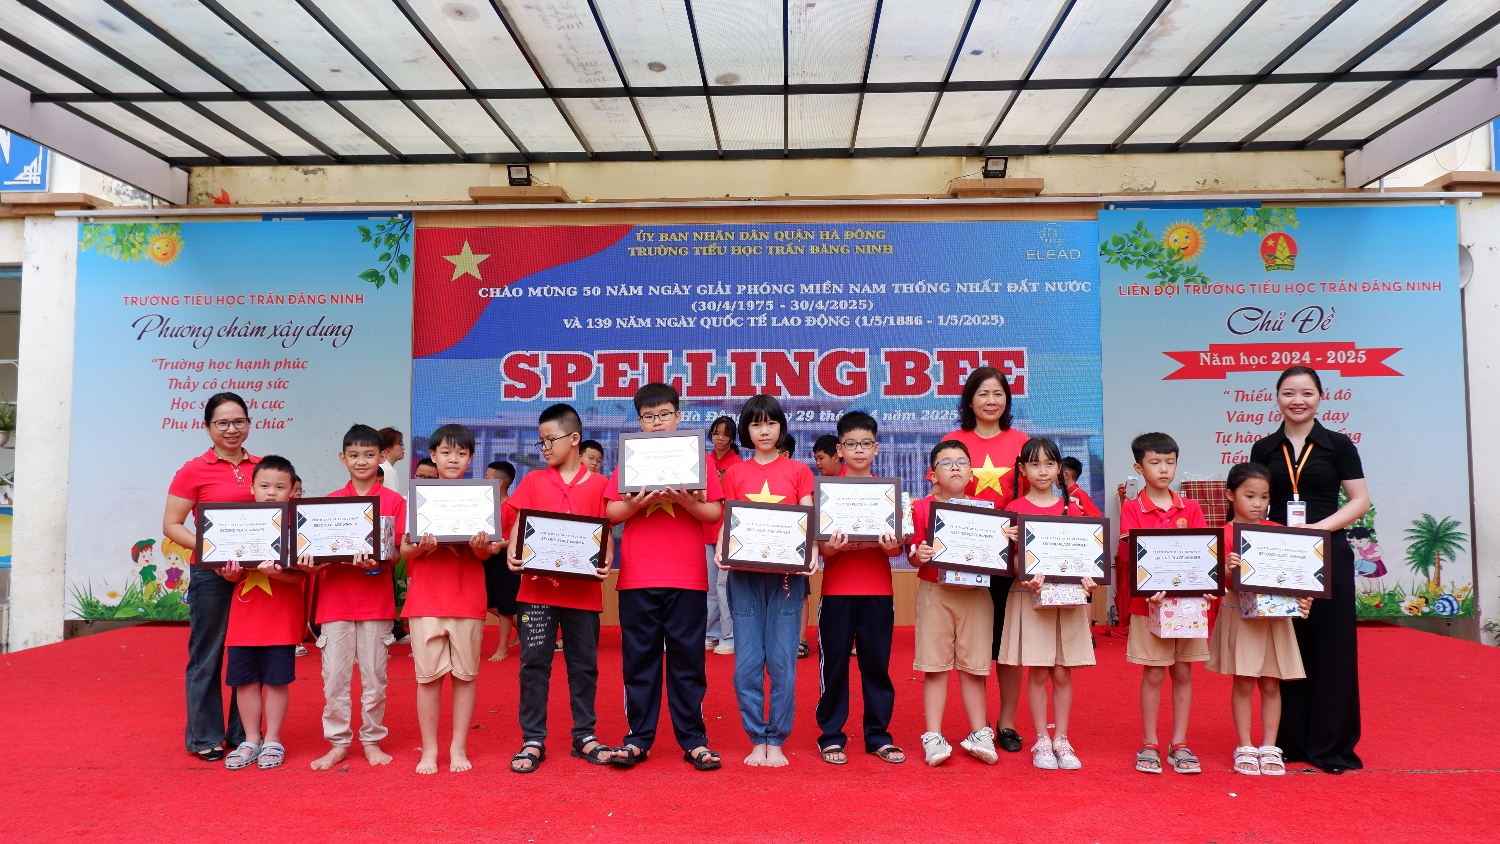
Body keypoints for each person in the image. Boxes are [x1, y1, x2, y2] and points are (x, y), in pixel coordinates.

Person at [1249, 366, 1369, 774]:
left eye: (1306, 393)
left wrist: (1317, 530)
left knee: (1332, 647)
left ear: (1320, 397)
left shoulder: (1339, 444)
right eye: (1288, 393)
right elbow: (1255, 499)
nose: (1297, 401)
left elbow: (1359, 500)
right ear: (1277, 398)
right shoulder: (1264, 448)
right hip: (1278, 555)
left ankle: (1331, 746)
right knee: (1287, 645)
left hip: (1327, 551)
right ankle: (1290, 741)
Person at [605, 384, 724, 771]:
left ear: (678, 416)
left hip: (687, 576)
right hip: (637, 576)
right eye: (649, 417)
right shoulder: (630, 459)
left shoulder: (699, 460)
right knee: (639, 661)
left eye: (664, 415)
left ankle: (694, 740)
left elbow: (714, 513)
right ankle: (638, 738)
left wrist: (687, 502)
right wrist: (635, 504)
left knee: (688, 661)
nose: (657, 423)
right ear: (639, 421)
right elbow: (610, 512)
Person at [503, 404, 614, 773]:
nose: (545, 448)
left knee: (584, 665)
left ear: (574, 439)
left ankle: (585, 735)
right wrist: (514, 554)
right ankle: (533, 738)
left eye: (550, 440)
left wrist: (607, 558)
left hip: (583, 593)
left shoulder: (600, 484)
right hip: (536, 592)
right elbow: (520, 523)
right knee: (534, 664)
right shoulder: (534, 481)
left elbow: (605, 531)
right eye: (541, 442)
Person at [715, 394, 818, 767]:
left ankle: (776, 738)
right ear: (747, 429)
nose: (764, 430)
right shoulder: (735, 473)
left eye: (771, 423)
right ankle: (756, 736)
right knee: (746, 664)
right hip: (744, 578)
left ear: (781, 427)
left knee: (782, 663)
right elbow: (728, 520)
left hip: (787, 579)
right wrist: (721, 549)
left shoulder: (799, 471)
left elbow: (808, 517)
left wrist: (812, 552)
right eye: (756, 424)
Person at [906, 440, 1015, 766]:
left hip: (976, 595)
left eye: (962, 462)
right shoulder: (921, 508)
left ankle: (980, 732)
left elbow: (999, 557)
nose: (955, 467)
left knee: (974, 668)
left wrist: (1006, 542)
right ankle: (933, 735)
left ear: (971, 473)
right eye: (946, 462)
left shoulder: (986, 511)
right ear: (932, 475)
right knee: (935, 667)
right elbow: (912, 553)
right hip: (935, 593)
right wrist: (919, 554)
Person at [163, 392, 254, 763]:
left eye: (238, 421)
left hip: (256, 575)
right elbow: (172, 525)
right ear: (207, 428)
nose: (231, 429)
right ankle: (205, 736)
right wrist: (213, 552)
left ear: (249, 423)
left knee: (249, 651)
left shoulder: (262, 467)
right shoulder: (193, 470)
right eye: (222, 423)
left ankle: (243, 733)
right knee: (208, 653)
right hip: (211, 573)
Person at [308, 424, 406, 771]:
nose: (361, 461)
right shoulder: (329, 503)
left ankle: (371, 739)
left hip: (375, 604)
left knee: (375, 678)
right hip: (335, 603)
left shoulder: (394, 502)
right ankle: (337, 742)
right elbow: (315, 555)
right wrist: (311, 561)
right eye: (354, 455)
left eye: (369, 454)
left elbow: (397, 553)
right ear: (343, 458)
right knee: (334, 677)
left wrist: (379, 560)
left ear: (382, 457)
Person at [941, 366, 1029, 754]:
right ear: (969, 400)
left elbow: (1034, 497)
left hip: (1010, 561)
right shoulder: (954, 442)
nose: (991, 401)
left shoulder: (1022, 442)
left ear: (1007, 399)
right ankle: (978, 726)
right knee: (973, 644)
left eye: (998, 393)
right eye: (983, 394)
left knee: (1008, 646)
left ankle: (1007, 721)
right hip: (967, 559)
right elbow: (942, 496)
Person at [401, 424, 497, 774]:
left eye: (461, 453)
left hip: (467, 597)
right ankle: (429, 749)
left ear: (470, 458)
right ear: (432, 456)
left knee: (465, 676)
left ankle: (458, 747)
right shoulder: (417, 498)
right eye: (445, 452)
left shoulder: (481, 498)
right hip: (426, 598)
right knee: (427, 678)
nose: (453, 459)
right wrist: (421, 547)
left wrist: (480, 545)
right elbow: (406, 552)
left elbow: (485, 554)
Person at [999, 438, 1099, 771]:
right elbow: (1010, 563)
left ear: (1060, 469)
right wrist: (1023, 572)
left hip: (1067, 599)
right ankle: (1042, 739)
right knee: (1039, 669)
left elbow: (1089, 559)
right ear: (1023, 470)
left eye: (1049, 464)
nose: (1042, 471)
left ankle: (1062, 739)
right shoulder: (1013, 509)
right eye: (1035, 464)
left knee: (1062, 670)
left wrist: (1090, 578)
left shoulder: (1074, 510)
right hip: (1030, 596)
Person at [1114, 432, 1211, 775]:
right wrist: (1151, 585)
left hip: (1188, 606)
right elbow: (1130, 555)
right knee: (1154, 673)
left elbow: (1203, 555)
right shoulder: (1131, 508)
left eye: (1170, 462)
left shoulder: (1191, 508)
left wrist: (1206, 584)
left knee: (1183, 671)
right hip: (1149, 605)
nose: (1164, 469)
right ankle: (1150, 742)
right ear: (1138, 468)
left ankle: (1179, 743)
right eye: (1155, 462)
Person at [1209, 462, 1313, 776]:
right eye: (1250, 495)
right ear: (1231, 495)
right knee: (1243, 682)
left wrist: (1304, 599)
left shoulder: (1278, 531)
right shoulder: (1223, 534)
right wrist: (1229, 568)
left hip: (1276, 615)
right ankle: (1244, 746)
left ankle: (1270, 746)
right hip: (1240, 613)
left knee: (1270, 682)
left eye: (1264, 497)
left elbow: (1296, 575)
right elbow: (1220, 581)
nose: (1258, 503)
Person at [813, 412, 903, 765]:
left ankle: (878, 736)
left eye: (866, 443)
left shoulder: (888, 493)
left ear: (876, 448)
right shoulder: (828, 492)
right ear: (840, 450)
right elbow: (823, 549)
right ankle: (831, 736)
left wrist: (889, 545)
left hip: (878, 590)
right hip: (837, 590)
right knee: (834, 666)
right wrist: (835, 547)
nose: (859, 450)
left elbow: (896, 551)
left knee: (876, 666)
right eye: (851, 444)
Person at [219, 455, 305, 770]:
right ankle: (251, 739)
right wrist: (230, 574)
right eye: (265, 486)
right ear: (252, 488)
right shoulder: (236, 523)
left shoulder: (298, 527)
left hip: (281, 619)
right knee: (244, 681)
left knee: (277, 680)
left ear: (292, 491)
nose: (271, 493)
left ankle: (273, 739)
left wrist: (277, 574)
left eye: (280, 487)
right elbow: (227, 573)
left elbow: (300, 577)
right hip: (243, 620)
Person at [705, 416, 741, 656]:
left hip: (728, 531)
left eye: (725, 434)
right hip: (705, 528)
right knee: (709, 587)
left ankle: (730, 636)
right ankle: (711, 634)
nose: (720, 438)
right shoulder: (704, 462)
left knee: (724, 586)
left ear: (732, 438)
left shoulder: (737, 465)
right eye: (716, 433)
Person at [483, 460, 519, 662]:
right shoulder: (485, 506)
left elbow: (517, 538)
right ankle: (523, 628)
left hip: (504, 560)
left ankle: (502, 648)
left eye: (487, 478)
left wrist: (501, 545)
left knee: (505, 605)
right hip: (485, 558)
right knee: (488, 603)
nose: (483, 480)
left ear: (499, 483)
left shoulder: (512, 507)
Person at [378, 427, 405, 493]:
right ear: (388, 447)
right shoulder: (388, 470)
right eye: (400, 444)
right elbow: (391, 498)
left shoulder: (378, 467)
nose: (403, 448)